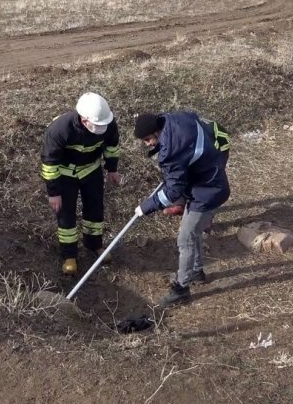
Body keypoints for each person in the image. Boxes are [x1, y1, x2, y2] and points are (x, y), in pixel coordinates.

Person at [133, 110, 230, 307]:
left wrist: (146, 207)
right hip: (206, 176)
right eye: (144, 141)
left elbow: (171, 192)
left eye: (149, 139)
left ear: (157, 131)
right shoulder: (172, 119)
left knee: (185, 238)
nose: (148, 144)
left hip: (208, 189)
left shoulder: (172, 151)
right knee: (192, 233)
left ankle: (181, 289)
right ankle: (196, 272)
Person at [41, 92, 121, 276]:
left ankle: (95, 246)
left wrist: (112, 169)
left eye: (104, 125)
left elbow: (112, 145)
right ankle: (69, 255)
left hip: (91, 171)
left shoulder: (107, 123)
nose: (102, 128)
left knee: (95, 209)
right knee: (66, 214)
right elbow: (49, 162)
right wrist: (53, 192)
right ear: (84, 120)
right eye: (97, 125)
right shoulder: (60, 129)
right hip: (65, 175)